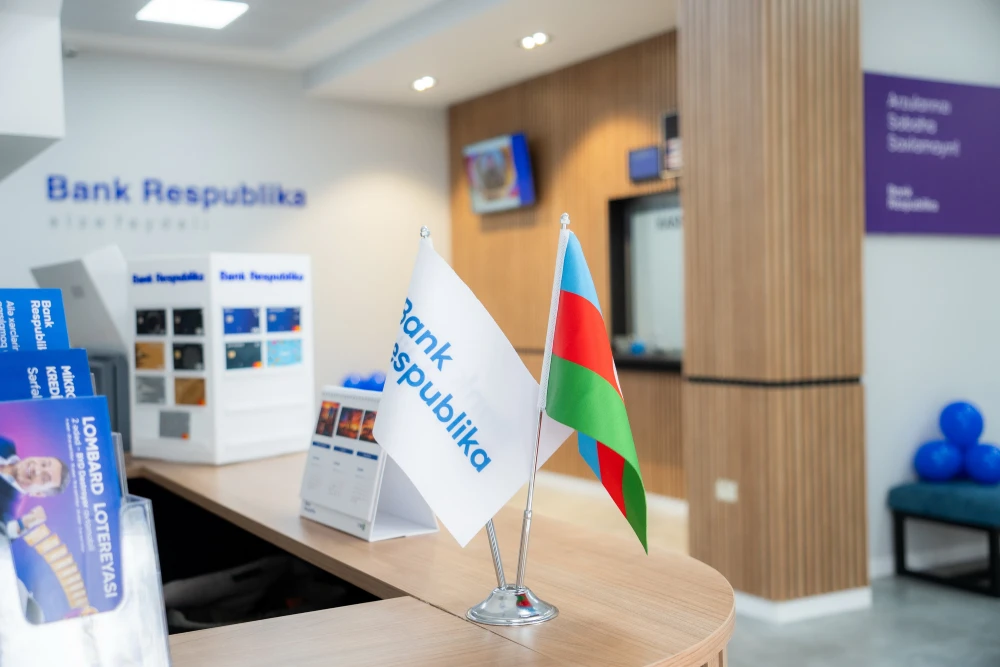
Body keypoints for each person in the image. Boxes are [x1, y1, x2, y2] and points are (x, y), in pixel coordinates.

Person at [0, 436, 70, 527]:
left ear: (38, 494)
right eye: (43, 464)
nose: (36, 469)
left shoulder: (5, 513)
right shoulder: (6, 445)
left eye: (44, 478)